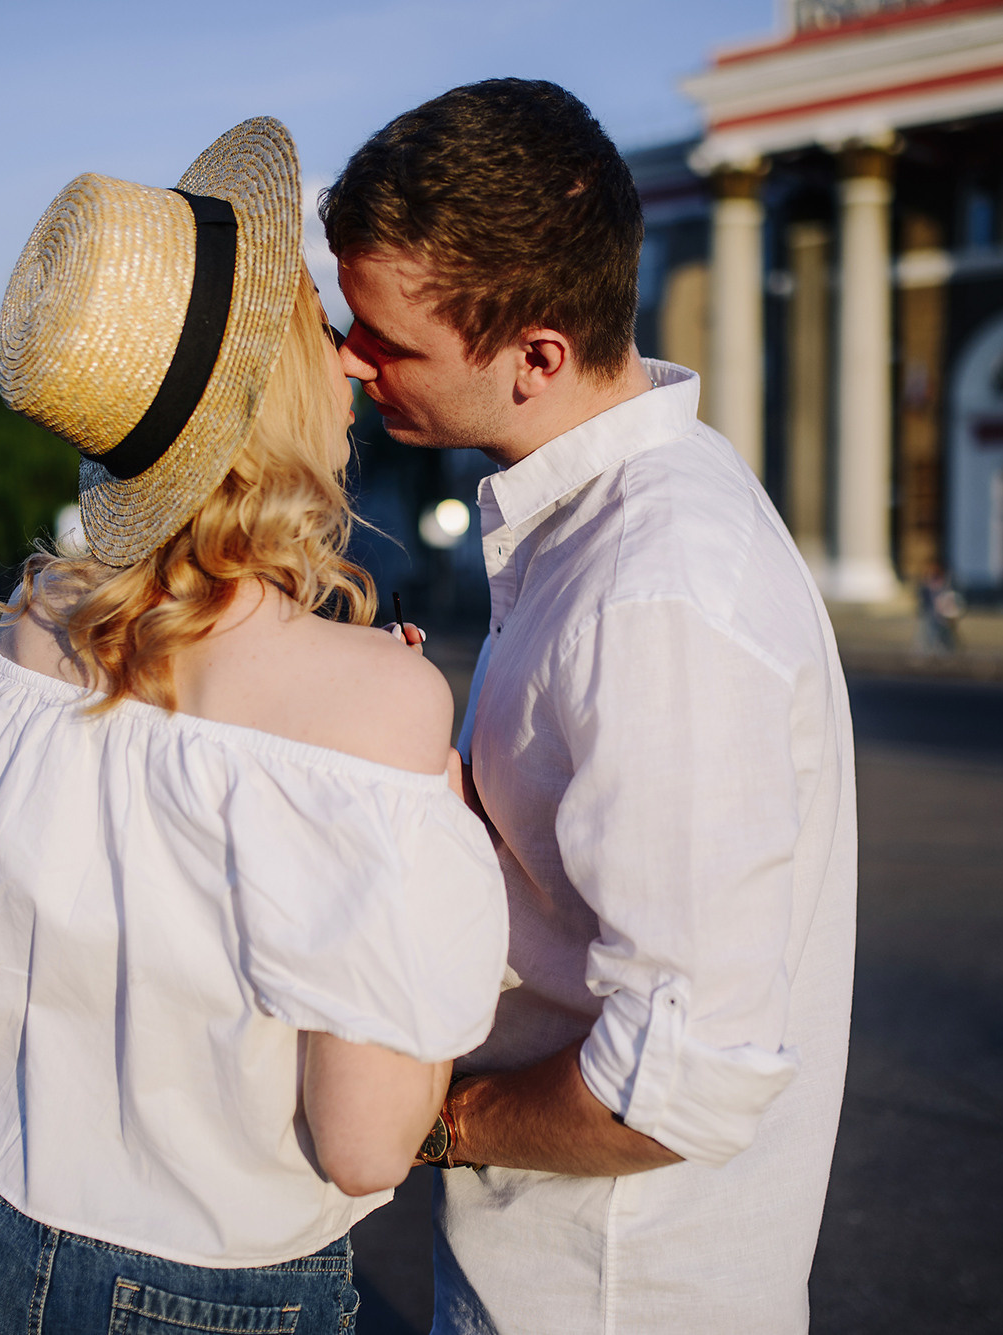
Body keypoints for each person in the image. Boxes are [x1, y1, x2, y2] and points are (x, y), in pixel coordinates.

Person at [0, 118, 509, 1335]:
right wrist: (434, 833)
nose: (347, 367)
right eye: (318, 337)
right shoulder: (383, 704)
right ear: (271, 396)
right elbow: (363, 1145)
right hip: (209, 1287)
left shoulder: (35, 626)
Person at [323, 80, 858, 1333]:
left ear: (535, 357)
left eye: (387, 340)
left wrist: (433, 1128)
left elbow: (682, 1081)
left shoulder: (652, 592)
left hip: (609, 1290)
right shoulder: (615, 518)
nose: (350, 361)